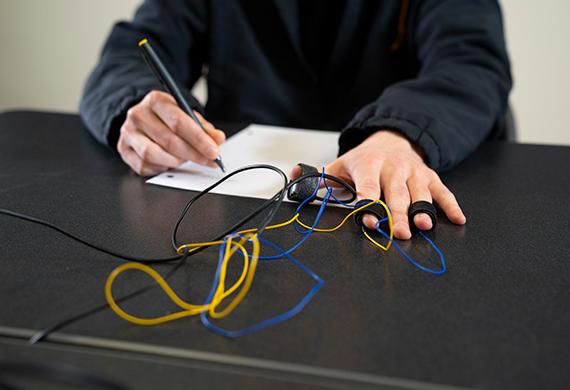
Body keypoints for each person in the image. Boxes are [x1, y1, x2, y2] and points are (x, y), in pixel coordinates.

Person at [80, 0, 512, 240]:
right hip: (245, 219)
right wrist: (137, 107)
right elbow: (130, 53)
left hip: (391, 198)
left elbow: (471, 63)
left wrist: (400, 133)